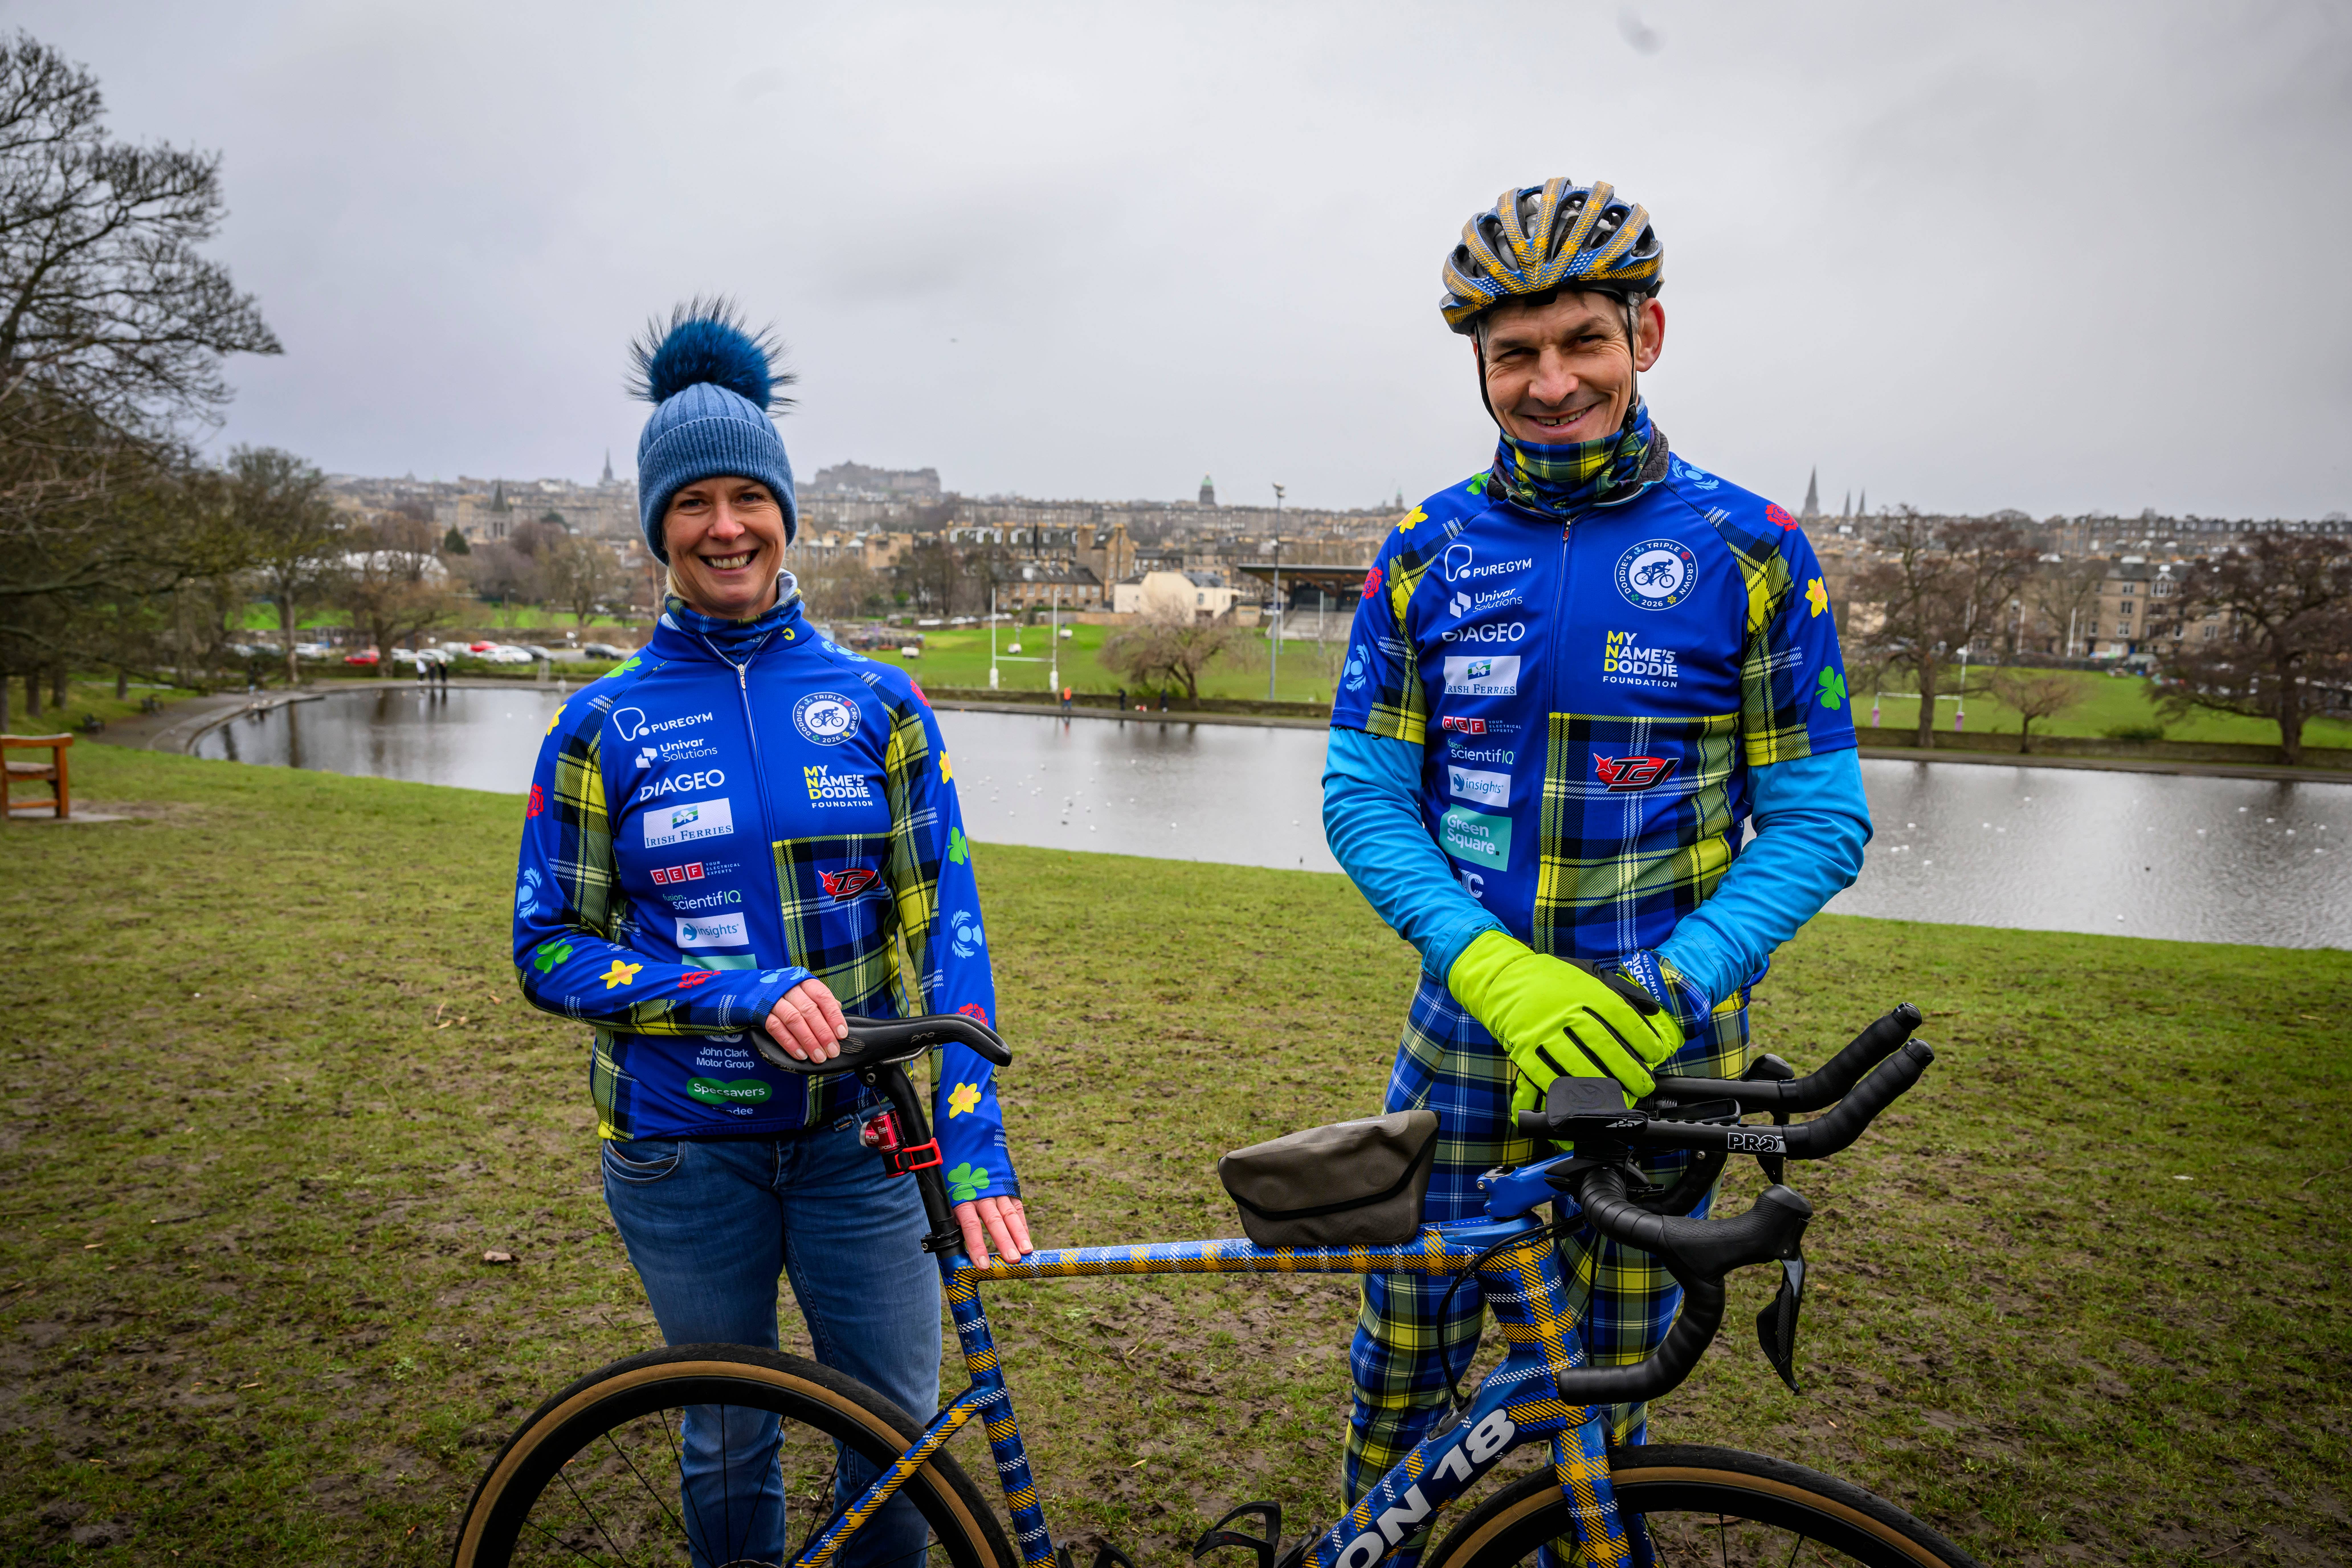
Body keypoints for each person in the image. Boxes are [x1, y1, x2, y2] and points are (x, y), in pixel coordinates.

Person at [1323, 180, 1870, 1503]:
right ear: (1480, 365)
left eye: (1585, 342)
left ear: (1649, 336)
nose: (1553, 381)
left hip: (1664, 1051)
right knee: (1400, 1367)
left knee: (1609, 1385)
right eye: (1516, 353)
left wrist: (1669, 983)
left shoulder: (1755, 548)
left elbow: (1818, 818)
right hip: (1466, 1036)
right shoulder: (1423, 548)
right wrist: (1488, 966)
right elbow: (1364, 792)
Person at [514, 301, 1030, 1568]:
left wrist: (973, 1145)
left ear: (788, 514)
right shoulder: (599, 724)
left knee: (900, 1440)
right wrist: (731, 992)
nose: (726, 526)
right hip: (683, 1150)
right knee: (729, 1438)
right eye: (693, 503)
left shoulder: (881, 701)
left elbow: (950, 937)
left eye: (750, 496)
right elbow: (549, 946)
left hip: (863, 1141)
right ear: (658, 529)